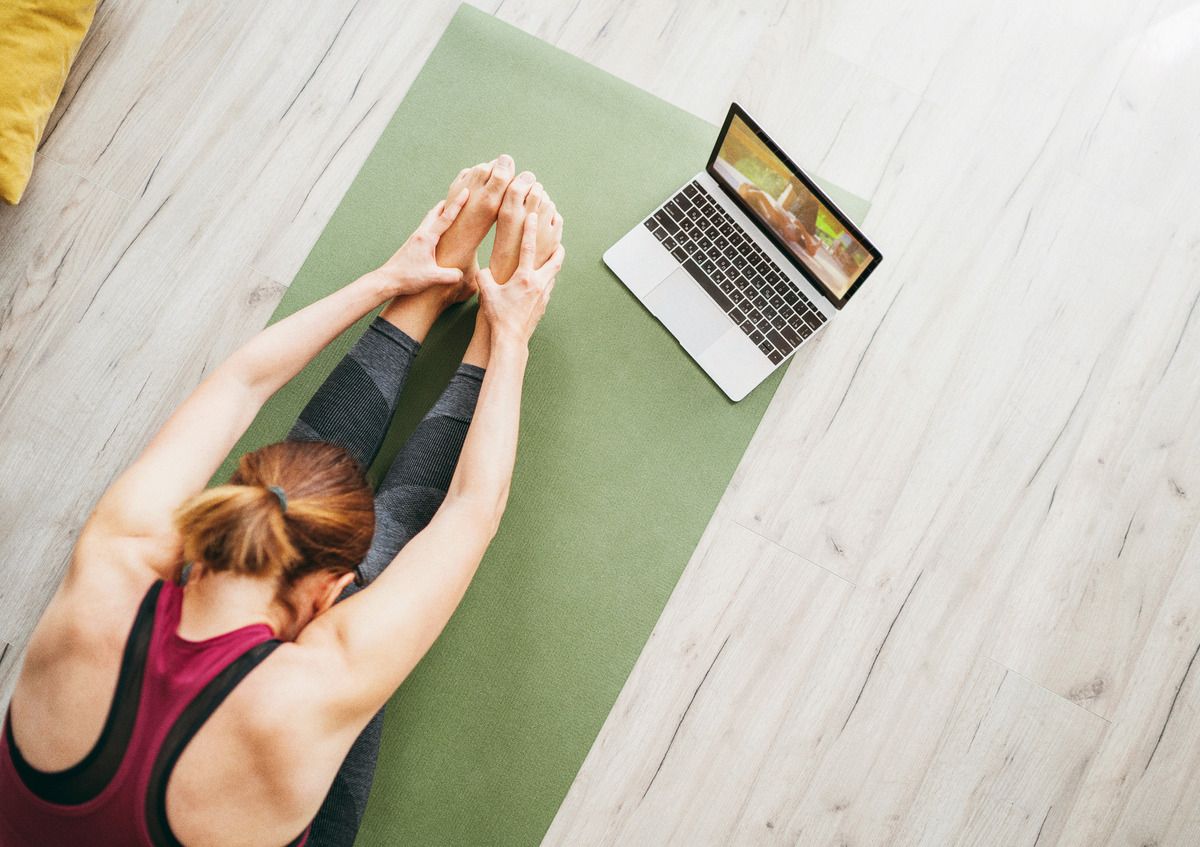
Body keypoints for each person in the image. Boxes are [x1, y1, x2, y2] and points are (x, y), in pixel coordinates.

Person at [0, 154, 565, 847]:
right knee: (389, 570)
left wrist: (394, 279)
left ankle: (421, 301)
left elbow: (241, 383)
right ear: (328, 594)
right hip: (276, 761)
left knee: (301, 507)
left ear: (225, 514)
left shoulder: (108, 571)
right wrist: (507, 338)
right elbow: (467, 513)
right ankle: (470, 336)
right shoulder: (309, 695)